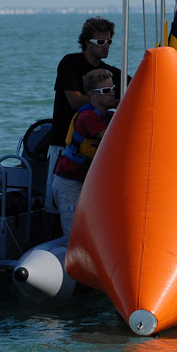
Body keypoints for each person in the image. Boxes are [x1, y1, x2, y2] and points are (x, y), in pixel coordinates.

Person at [46, 17, 127, 212]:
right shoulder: (70, 63)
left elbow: (137, 88)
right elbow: (74, 100)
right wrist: (113, 101)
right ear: (86, 43)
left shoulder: (109, 73)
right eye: (100, 42)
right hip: (64, 146)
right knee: (56, 205)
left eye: (109, 42)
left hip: (93, 153)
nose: (106, 46)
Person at [51, 69, 118, 236]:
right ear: (92, 95)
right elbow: (112, 140)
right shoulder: (88, 117)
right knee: (74, 233)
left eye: (113, 88)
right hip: (70, 182)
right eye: (106, 91)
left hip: (87, 181)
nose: (112, 94)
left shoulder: (108, 117)